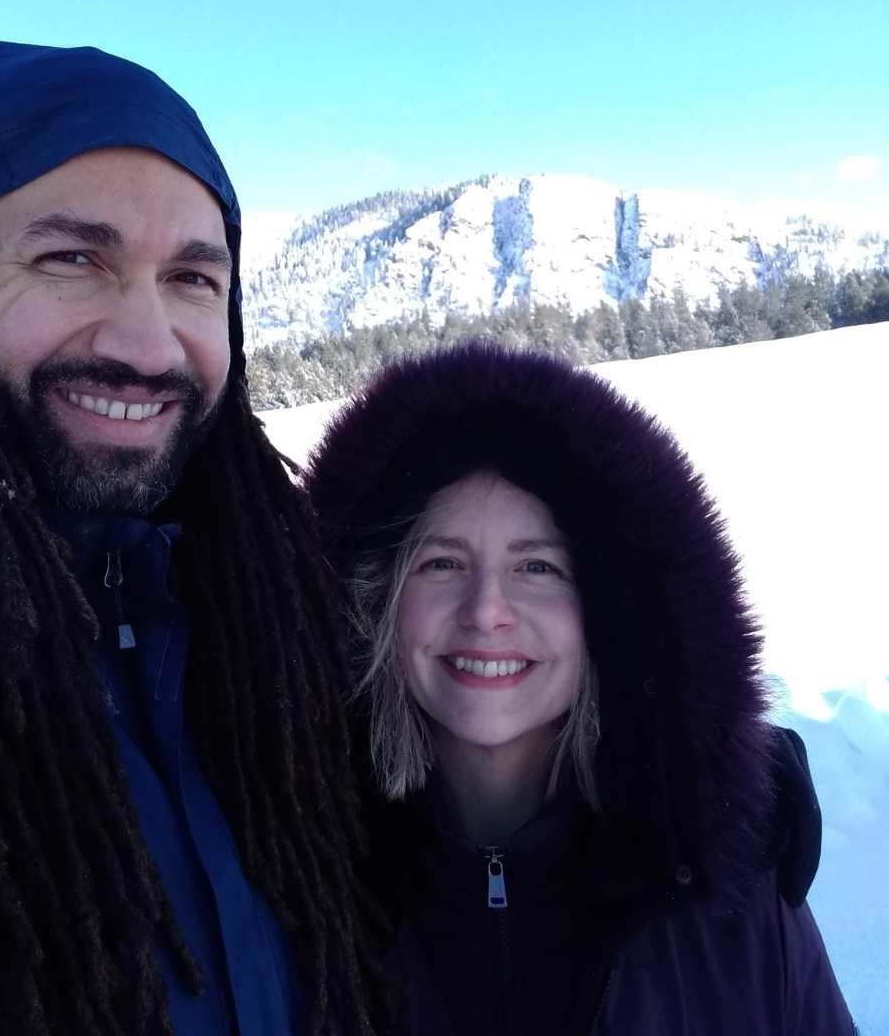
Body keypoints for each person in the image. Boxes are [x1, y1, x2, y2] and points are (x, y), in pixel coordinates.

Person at [0, 42, 387, 1036]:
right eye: (72, 259)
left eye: (190, 279)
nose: (147, 343)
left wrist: (704, 782)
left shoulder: (274, 648)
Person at [305, 340, 856, 1035]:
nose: (486, 610)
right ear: (374, 603)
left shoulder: (731, 898)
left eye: (537, 568)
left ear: (611, 615)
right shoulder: (302, 903)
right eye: (441, 563)